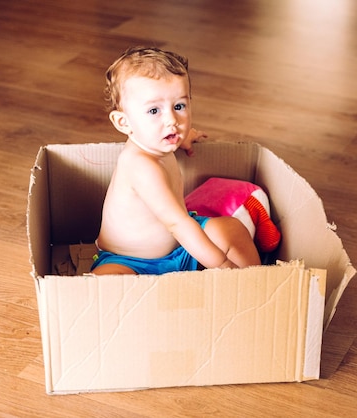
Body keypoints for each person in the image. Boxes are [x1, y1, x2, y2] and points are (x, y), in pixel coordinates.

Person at [91, 46, 261, 275]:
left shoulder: (156, 142)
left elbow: (183, 228)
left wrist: (184, 137)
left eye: (179, 106)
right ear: (124, 123)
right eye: (154, 111)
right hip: (129, 262)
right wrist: (221, 264)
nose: (172, 120)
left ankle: (256, 281)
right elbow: (177, 223)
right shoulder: (140, 166)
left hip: (183, 247)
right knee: (105, 283)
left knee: (232, 229)